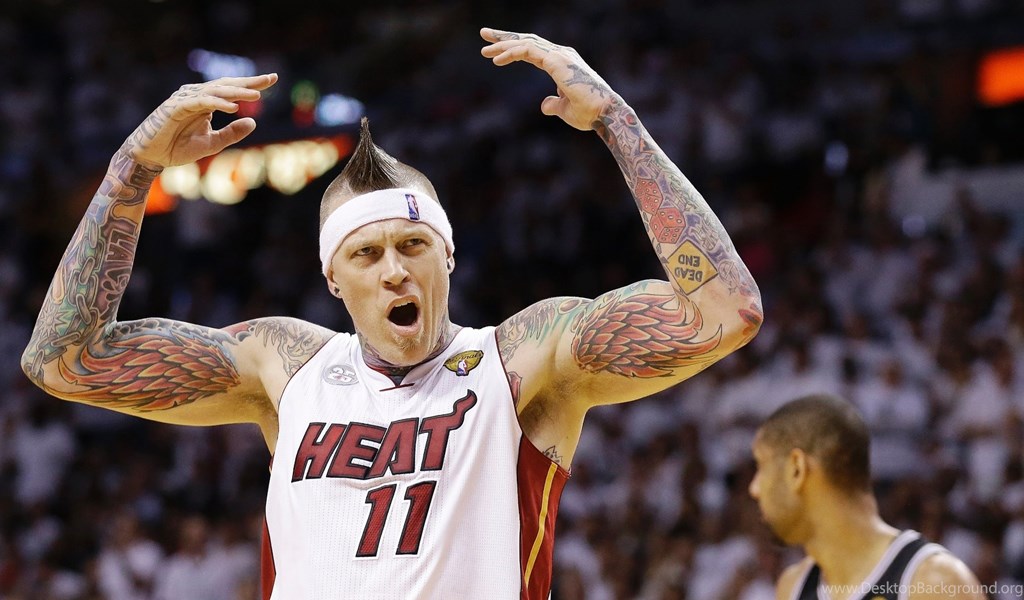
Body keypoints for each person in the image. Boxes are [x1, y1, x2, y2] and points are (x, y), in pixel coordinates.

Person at [21, 27, 762, 599]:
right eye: (366, 255)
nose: (395, 271)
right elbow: (62, 360)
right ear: (333, 279)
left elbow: (725, 311)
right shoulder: (287, 366)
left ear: (448, 257)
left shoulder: (522, 359)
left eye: (413, 246)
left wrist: (617, 121)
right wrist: (131, 171)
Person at [749, 394, 985, 600]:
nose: (754, 488)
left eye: (761, 466)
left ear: (797, 469)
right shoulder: (792, 586)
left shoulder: (935, 582)